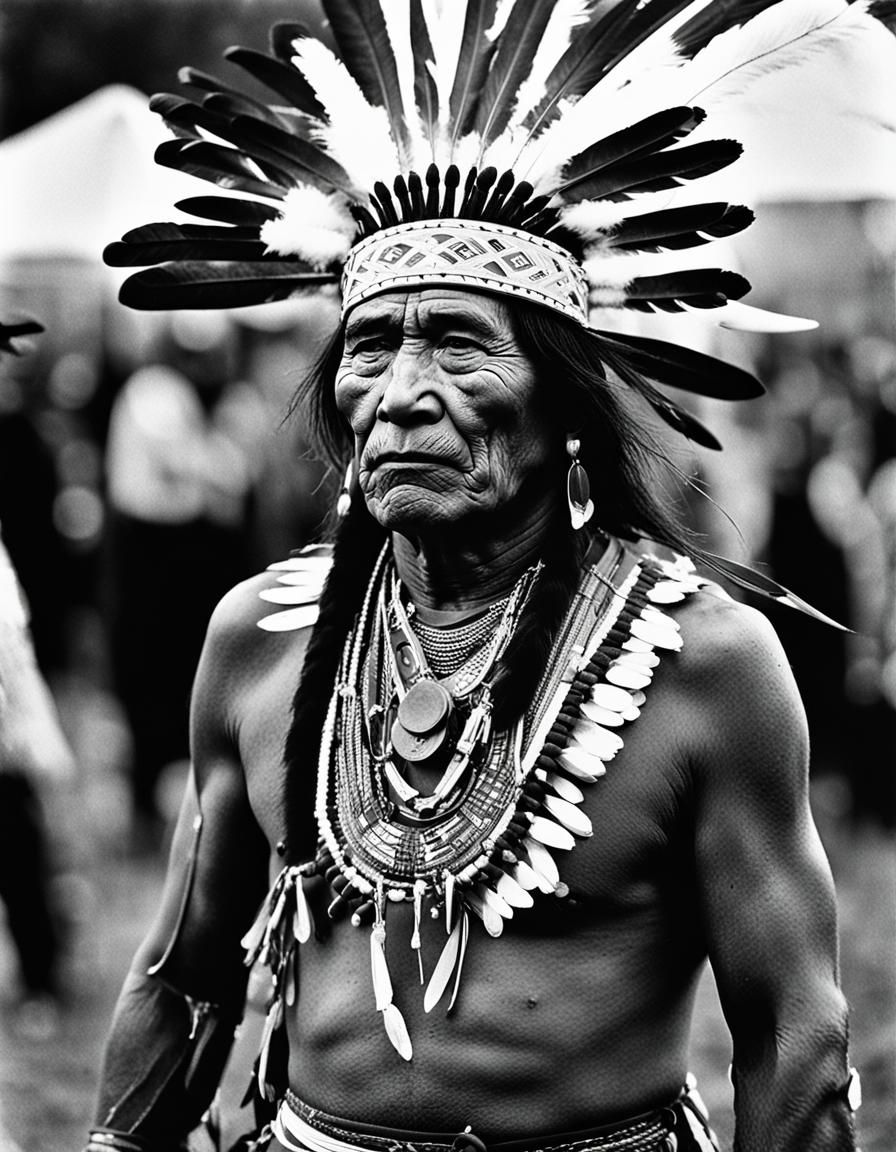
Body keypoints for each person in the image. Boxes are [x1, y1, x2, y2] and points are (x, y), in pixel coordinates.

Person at [90, 3, 885, 1150]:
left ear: (564, 405)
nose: (403, 390)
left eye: (459, 342)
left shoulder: (704, 665)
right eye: (372, 343)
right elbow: (181, 977)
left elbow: (791, 1036)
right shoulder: (256, 640)